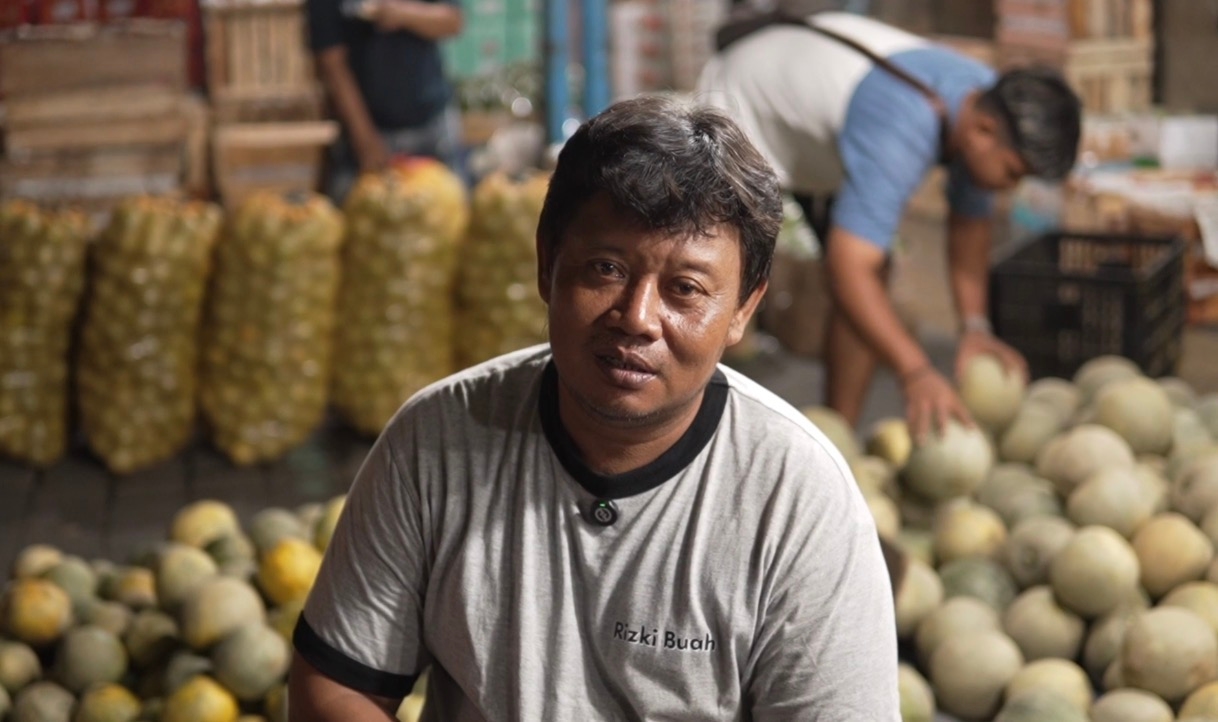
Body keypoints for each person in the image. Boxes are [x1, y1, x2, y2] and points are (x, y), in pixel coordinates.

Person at [287, 95, 900, 721]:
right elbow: (336, 684)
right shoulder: (434, 440)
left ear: (744, 307)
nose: (636, 319)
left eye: (685, 289)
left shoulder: (798, 500)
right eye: (605, 268)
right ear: (547, 262)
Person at [697, 10, 1082, 440]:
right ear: (985, 130)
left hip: (825, 132)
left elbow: (970, 227)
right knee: (712, 273)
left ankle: (835, 439)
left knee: (871, 276)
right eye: (1013, 173)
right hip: (746, 103)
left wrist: (975, 328)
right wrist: (916, 371)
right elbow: (849, 268)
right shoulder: (902, 123)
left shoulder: (984, 106)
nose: (1011, 188)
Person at [306, 0, 466, 204]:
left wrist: (404, 14)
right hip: (366, 134)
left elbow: (453, 21)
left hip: (433, 127)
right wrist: (364, 138)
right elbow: (331, 63)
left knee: (450, 218)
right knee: (358, 224)